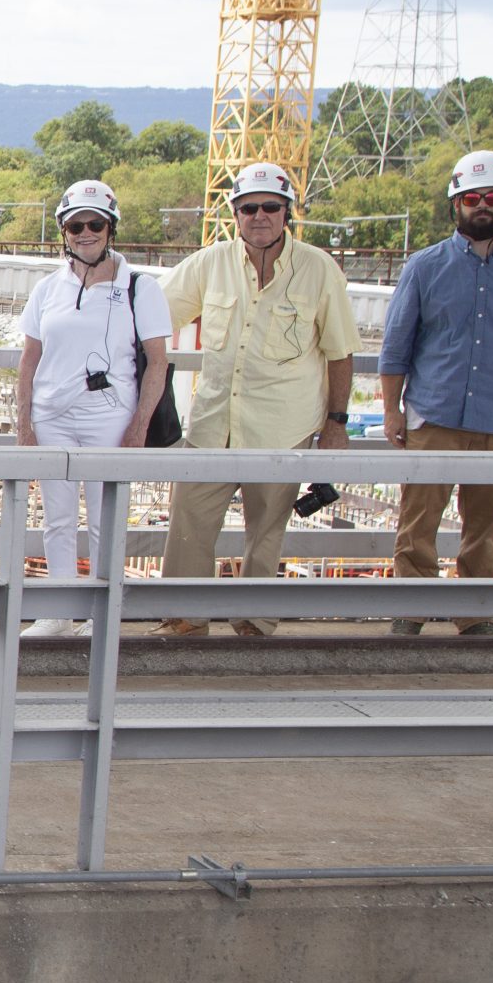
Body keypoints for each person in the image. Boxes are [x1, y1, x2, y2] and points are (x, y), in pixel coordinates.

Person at [158, 161, 357, 637]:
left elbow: (340, 350)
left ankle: (253, 623)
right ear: (235, 214)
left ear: (288, 211)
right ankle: (185, 620)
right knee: (188, 523)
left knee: (266, 532)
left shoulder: (318, 269)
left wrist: (336, 424)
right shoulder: (211, 262)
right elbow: (156, 315)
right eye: (249, 208)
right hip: (213, 424)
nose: (260, 216)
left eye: (271, 207)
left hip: (282, 429)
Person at [378, 148, 493, 636]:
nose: (483, 205)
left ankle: (477, 613)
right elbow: (396, 344)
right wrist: (392, 411)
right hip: (433, 414)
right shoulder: (424, 267)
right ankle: (410, 610)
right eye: (473, 197)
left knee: (484, 524)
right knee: (418, 522)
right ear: (455, 204)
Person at [12, 180, 171, 639]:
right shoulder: (48, 289)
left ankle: (102, 616)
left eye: (94, 224)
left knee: (105, 518)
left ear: (110, 228)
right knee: (57, 516)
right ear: (64, 231)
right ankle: (59, 611)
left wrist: (139, 426)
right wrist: (25, 424)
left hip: (109, 415)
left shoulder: (140, 288)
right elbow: (29, 359)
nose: (85, 233)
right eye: (76, 225)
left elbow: (157, 362)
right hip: (53, 414)